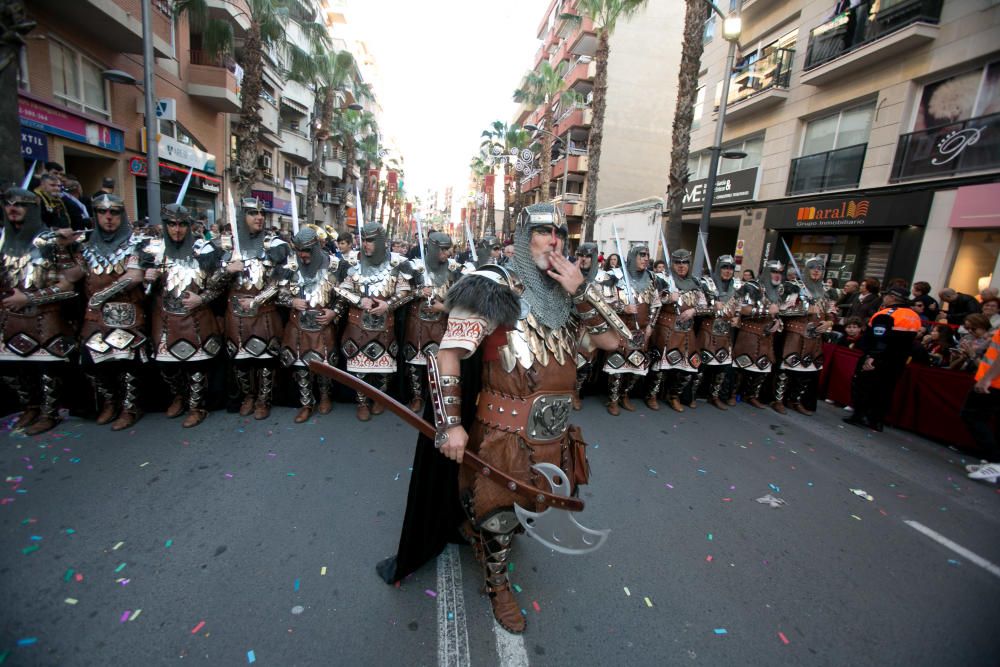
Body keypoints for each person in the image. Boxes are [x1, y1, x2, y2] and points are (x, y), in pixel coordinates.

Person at [376, 203, 631, 633]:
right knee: (498, 511)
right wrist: (451, 425)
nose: (555, 241)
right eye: (544, 231)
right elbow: (448, 356)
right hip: (502, 431)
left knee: (532, 500)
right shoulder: (491, 286)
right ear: (522, 236)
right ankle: (497, 582)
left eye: (561, 234)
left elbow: (613, 341)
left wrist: (582, 289)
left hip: (552, 431)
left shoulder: (567, 296)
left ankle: (487, 539)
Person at [64, 193, 148, 430]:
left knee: (126, 365)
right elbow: (72, 277)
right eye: (102, 212)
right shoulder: (87, 247)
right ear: (96, 215)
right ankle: (110, 401)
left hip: (126, 313)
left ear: (122, 215)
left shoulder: (135, 244)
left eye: (114, 212)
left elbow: (134, 276)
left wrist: (102, 294)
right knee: (93, 363)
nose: (109, 217)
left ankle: (130, 407)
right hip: (95, 316)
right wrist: (63, 249)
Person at [0, 188, 78, 435]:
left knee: (46, 371)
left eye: (21, 204)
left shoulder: (50, 241)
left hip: (44, 317)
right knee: (13, 370)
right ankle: (30, 407)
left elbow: (68, 285)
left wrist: (29, 297)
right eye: (8, 204)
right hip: (9, 317)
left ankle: (49, 412)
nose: (13, 209)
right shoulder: (2, 241)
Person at [144, 204, 227, 427]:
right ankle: (179, 396)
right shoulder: (154, 251)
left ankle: (196, 406)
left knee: (196, 367)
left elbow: (218, 285)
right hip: (165, 318)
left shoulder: (204, 251)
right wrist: (147, 277)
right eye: (172, 224)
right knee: (167, 367)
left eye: (182, 225)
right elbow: (142, 288)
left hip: (196, 318)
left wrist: (202, 299)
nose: (177, 230)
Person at [221, 198, 294, 420]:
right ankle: (248, 396)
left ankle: (264, 399)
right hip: (236, 315)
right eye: (253, 213)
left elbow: (282, 284)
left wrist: (257, 300)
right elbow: (213, 286)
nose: (259, 217)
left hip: (264, 313)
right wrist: (227, 271)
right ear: (242, 217)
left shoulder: (277, 246)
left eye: (261, 213)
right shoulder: (227, 246)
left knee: (265, 360)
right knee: (240, 360)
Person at [332, 221, 413, 421]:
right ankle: (361, 402)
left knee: (384, 368)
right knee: (359, 368)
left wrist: (389, 304)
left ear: (381, 242)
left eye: (370, 241)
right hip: (357, 324)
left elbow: (405, 291)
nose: (365, 244)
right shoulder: (354, 265)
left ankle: (380, 399)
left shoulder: (395, 265)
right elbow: (341, 289)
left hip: (385, 325)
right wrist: (360, 300)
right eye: (364, 240)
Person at [277, 226, 341, 423]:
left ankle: (324, 396)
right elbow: (277, 293)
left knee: (324, 364)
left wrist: (334, 312)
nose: (302, 255)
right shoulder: (289, 266)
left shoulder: (334, 265)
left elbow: (345, 296)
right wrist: (291, 301)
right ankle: (306, 403)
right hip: (298, 326)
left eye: (306, 251)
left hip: (323, 326)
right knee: (301, 367)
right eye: (299, 251)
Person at [844, 287, 921, 431]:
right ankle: (876, 420)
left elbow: (880, 338)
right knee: (885, 390)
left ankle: (859, 415)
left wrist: (871, 357)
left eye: (886, 295)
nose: (884, 298)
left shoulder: (887, 314)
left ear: (892, 297)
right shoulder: (913, 316)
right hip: (898, 360)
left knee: (864, 385)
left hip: (879, 358)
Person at [402, 231, 462, 412]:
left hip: (441, 324)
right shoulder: (414, 267)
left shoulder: (455, 270)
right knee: (415, 361)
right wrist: (419, 292)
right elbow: (400, 295)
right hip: (417, 321)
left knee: (439, 362)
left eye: (448, 250)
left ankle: (434, 397)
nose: (447, 254)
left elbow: (463, 300)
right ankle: (417, 396)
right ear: (434, 249)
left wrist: (444, 308)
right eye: (443, 250)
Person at [598, 243, 660, 415]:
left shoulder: (652, 278)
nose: (646, 258)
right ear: (633, 257)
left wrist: (651, 326)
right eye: (642, 255)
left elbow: (656, 304)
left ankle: (625, 395)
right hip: (621, 329)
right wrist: (622, 308)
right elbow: (603, 301)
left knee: (636, 367)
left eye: (647, 255)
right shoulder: (615, 276)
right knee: (617, 366)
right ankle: (613, 400)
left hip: (641, 331)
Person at [774, 257, 835, 416]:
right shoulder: (793, 287)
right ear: (806, 270)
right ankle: (778, 400)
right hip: (795, 333)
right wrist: (804, 310)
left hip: (815, 336)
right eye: (813, 267)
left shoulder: (826, 291)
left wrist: (829, 323)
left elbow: (831, 313)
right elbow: (781, 310)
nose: (816, 270)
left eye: (820, 268)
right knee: (787, 368)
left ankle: (795, 400)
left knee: (808, 370)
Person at [650, 249, 706, 412]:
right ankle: (651, 395)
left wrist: (693, 311)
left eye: (685, 262)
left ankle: (673, 396)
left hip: (687, 331)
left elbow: (705, 305)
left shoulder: (696, 282)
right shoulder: (662, 279)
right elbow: (652, 300)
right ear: (672, 264)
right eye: (677, 262)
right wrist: (667, 298)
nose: (681, 266)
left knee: (688, 368)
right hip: (666, 327)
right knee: (660, 367)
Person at [732, 262, 783, 409]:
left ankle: (751, 395)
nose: (777, 274)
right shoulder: (752, 286)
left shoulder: (778, 290)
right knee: (741, 365)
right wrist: (767, 312)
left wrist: (777, 322)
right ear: (766, 272)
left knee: (762, 367)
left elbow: (778, 312)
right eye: (774, 271)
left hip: (766, 335)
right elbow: (744, 310)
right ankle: (733, 394)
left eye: (779, 272)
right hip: (749, 332)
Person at [698, 255, 740, 410]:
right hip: (708, 329)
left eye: (730, 268)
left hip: (726, 332)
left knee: (723, 366)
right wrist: (711, 307)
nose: (728, 271)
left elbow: (742, 307)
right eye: (724, 267)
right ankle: (693, 394)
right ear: (718, 268)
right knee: (702, 365)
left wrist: (738, 318)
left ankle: (715, 396)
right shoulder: (705, 283)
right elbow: (697, 308)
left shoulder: (737, 286)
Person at [960, 326, 1000, 484]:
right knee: (984, 418)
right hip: (993, 381)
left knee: (970, 415)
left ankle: (996, 461)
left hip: (994, 382)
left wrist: (987, 378)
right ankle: (993, 463)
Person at [571, 242, 600, 409]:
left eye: (588, 256)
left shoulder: (602, 279)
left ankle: (576, 392)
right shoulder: (569, 274)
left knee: (584, 363)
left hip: (589, 326)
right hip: (568, 322)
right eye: (581, 255)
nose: (583, 259)